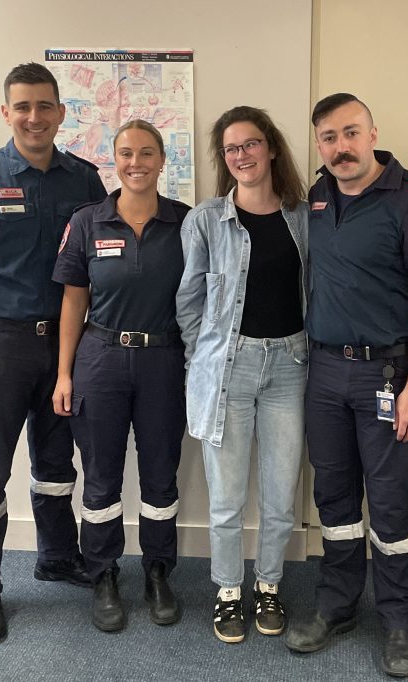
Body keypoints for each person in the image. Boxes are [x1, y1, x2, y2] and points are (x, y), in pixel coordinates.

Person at [0, 62, 107, 643]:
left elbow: (98, 266)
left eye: (45, 106)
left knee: (57, 466)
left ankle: (57, 556)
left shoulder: (82, 180)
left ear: (61, 112)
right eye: (22, 107)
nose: (34, 117)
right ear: (7, 113)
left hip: (63, 346)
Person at [283, 93, 408, 678]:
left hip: (391, 374)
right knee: (334, 500)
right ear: (319, 144)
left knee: (388, 505)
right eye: (329, 137)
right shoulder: (314, 197)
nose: (341, 147)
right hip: (326, 371)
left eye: (351, 133)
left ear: (374, 132)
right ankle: (337, 606)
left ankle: (400, 620)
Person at [176, 106, 308, 644]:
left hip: (290, 368)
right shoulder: (206, 219)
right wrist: (200, 360)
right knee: (226, 498)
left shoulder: (304, 216)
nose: (241, 156)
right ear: (223, 159)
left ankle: (269, 586)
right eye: (231, 149)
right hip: (228, 368)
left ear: (271, 148)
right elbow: (189, 301)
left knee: (281, 495)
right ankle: (229, 593)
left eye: (250, 144)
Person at [52, 120, 190, 632]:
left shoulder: (185, 222)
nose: (137, 163)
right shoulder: (88, 221)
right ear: (115, 160)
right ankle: (104, 573)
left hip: (163, 362)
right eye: (127, 154)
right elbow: (73, 302)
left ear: (161, 161)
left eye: (147, 153)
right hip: (100, 360)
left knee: (160, 474)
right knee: (101, 475)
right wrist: (64, 375)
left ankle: (158, 571)